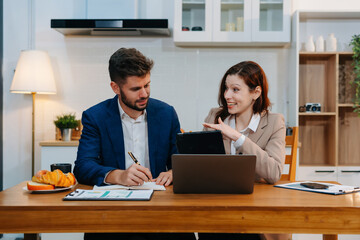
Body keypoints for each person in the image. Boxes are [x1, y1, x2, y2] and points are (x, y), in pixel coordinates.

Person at [74, 48, 196, 240]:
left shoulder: (166, 113)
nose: (144, 93)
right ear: (115, 87)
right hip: (112, 214)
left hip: (159, 209)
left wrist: (174, 172)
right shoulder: (95, 117)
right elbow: (83, 167)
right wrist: (119, 176)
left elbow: (181, 160)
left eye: (147, 85)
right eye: (135, 89)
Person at [200, 61, 287, 240]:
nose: (227, 96)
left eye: (235, 89)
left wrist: (239, 138)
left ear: (256, 92)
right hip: (218, 209)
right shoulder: (215, 116)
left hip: (257, 211)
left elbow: (274, 172)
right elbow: (200, 163)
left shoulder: (274, 122)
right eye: (226, 88)